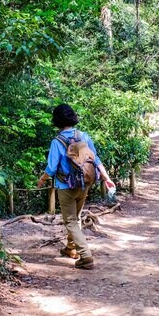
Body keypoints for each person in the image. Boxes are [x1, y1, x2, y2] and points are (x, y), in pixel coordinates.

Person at [37, 103, 114, 270]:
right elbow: (95, 159)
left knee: (70, 220)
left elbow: (51, 168)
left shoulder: (57, 141)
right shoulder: (83, 136)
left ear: (56, 120)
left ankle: (85, 256)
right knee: (76, 216)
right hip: (85, 184)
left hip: (66, 186)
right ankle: (71, 249)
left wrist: (41, 180)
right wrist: (106, 177)